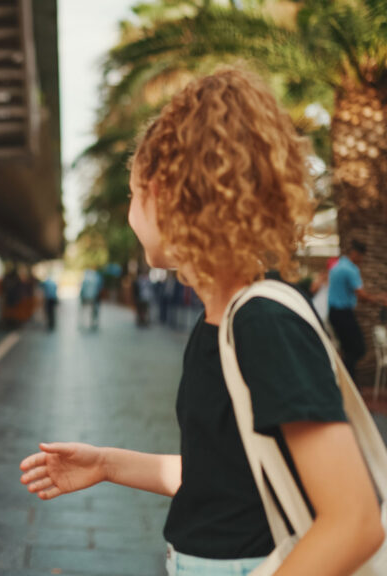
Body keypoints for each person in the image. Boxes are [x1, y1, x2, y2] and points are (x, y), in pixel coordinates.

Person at [19, 69, 384, 575]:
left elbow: (354, 521)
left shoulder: (262, 322)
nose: (130, 213)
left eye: (132, 194)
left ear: (166, 195)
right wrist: (105, 464)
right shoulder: (224, 318)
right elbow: (227, 479)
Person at [327, 240, 387, 379]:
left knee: (349, 350)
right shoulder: (350, 269)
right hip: (343, 313)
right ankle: (348, 380)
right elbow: (361, 296)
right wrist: (381, 299)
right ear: (355, 254)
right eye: (361, 257)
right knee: (358, 349)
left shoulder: (338, 265)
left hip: (334, 313)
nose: (362, 261)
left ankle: (347, 381)